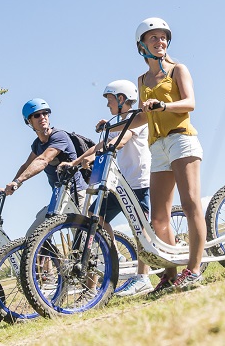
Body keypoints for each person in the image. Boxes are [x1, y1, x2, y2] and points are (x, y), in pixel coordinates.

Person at [128, 17, 206, 293]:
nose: (160, 42)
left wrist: (163, 105)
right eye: (153, 38)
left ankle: (194, 270)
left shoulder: (177, 69)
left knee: (190, 203)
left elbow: (190, 103)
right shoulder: (141, 80)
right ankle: (169, 274)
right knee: (158, 218)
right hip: (157, 147)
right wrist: (115, 123)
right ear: (142, 46)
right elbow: (142, 115)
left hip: (181, 140)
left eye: (163, 38)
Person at [60, 80, 153, 297]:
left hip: (139, 182)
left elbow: (120, 141)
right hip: (121, 184)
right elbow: (100, 145)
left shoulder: (134, 120)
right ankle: (112, 253)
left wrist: (97, 155)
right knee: (95, 215)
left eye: (110, 100)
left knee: (141, 230)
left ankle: (143, 278)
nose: (107, 105)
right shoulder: (119, 122)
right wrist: (77, 162)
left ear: (121, 99)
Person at [2, 98, 88, 237]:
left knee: (82, 240)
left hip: (76, 194)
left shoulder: (59, 136)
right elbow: (26, 165)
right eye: (37, 115)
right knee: (33, 235)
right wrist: (12, 185)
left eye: (45, 113)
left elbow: (43, 160)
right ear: (28, 121)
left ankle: (116, 258)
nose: (42, 117)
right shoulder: (37, 144)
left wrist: (18, 182)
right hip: (59, 197)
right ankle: (49, 258)